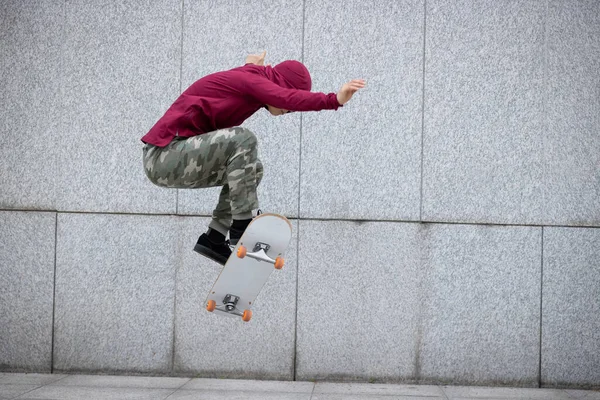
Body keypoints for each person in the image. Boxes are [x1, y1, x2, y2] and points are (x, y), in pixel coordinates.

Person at [141, 51, 365, 265]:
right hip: (164, 153)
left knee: (252, 169)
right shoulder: (252, 81)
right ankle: (241, 228)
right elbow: (283, 95)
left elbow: (255, 81)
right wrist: (335, 99)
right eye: (289, 108)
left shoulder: (251, 80)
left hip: (178, 157)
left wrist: (251, 64)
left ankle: (215, 237)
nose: (289, 111)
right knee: (243, 139)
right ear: (279, 86)